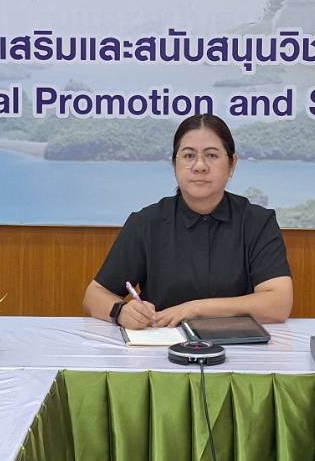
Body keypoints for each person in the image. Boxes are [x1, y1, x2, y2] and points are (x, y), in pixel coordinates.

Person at [83, 114, 293, 328]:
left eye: (212, 155)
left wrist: (194, 309)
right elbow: (95, 295)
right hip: (163, 343)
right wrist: (121, 311)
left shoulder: (258, 222)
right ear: (174, 164)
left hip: (237, 344)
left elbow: (278, 304)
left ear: (232, 164)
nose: (200, 166)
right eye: (189, 155)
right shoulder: (147, 222)